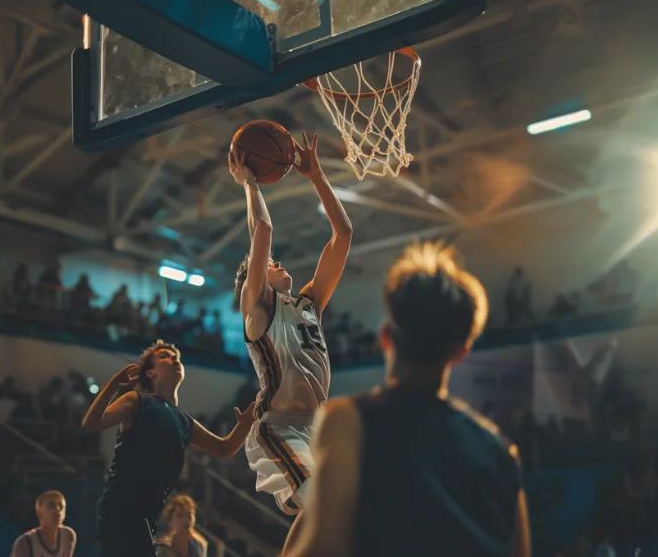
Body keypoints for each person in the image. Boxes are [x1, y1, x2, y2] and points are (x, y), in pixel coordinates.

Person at [282, 242, 530, 557]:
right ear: (461, 352)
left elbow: (326, 549)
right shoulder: (502, 454)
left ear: (385, 336)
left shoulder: (348, 421)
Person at [229, 131, 353, 549]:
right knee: (321, 506)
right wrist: (249, 181)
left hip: (316, 429)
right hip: (279, 428)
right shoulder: (257, 310)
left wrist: (317, 176)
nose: (278, 264)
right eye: (270, 263)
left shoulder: (308, 305)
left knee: (336, 517)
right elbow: (262, 227)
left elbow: (343, 236)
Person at [82, 341, 257, 557]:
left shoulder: (185, 421)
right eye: (166, 355)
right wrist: (113, 386)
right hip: (121, 507)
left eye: (178, 357)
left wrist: (246, 424)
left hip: (147, 515)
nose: (175, 359)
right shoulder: (137, 400)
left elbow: (225, 449)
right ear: (151, 373)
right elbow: (91, 424)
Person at [11, 490, 76, 557]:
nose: (57, 510)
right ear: (39, 512)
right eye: (51, 506)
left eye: (61, 506)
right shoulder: (25, 542)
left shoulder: (67, 535)